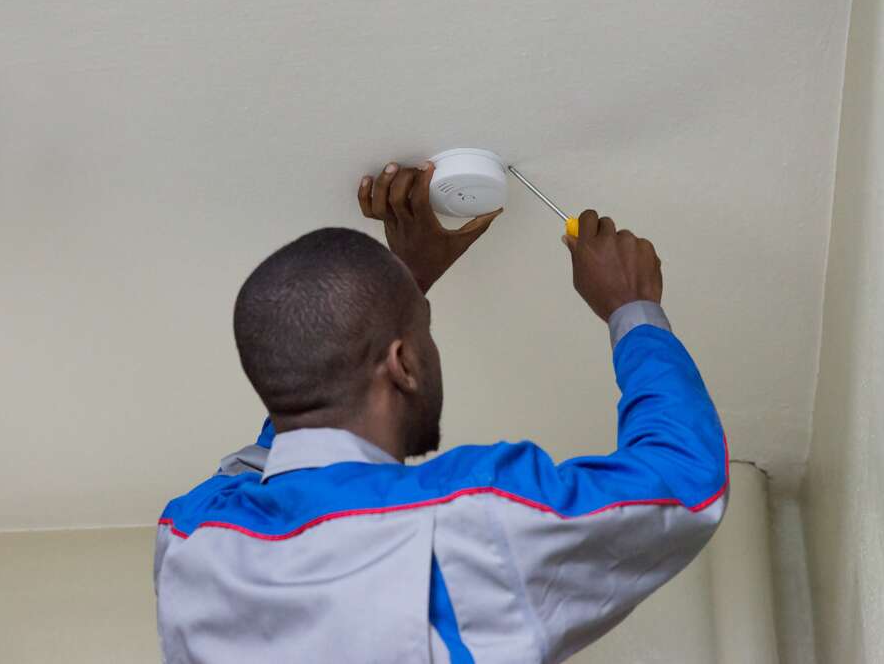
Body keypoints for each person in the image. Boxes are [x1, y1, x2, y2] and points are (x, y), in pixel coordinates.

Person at [155, 160, 728, 663]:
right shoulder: (470, 518)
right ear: (403, 364)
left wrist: (396, 292)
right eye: (423, 337)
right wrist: (633, 308)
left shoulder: (188, 537)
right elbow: (684, 481)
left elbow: (285, 442)